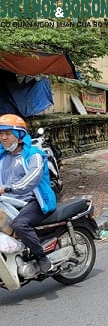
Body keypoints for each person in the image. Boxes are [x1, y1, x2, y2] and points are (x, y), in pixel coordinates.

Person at [0, 114, 57, 274]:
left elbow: (30, 181)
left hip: (35, 200)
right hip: (9, 202)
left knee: (19, 224)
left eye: (7, 134)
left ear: (19, 136)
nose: (3, 138)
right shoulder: (2, 157)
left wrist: (6, 188)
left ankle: (42, 258)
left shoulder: (34, 155)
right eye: (0, 134)